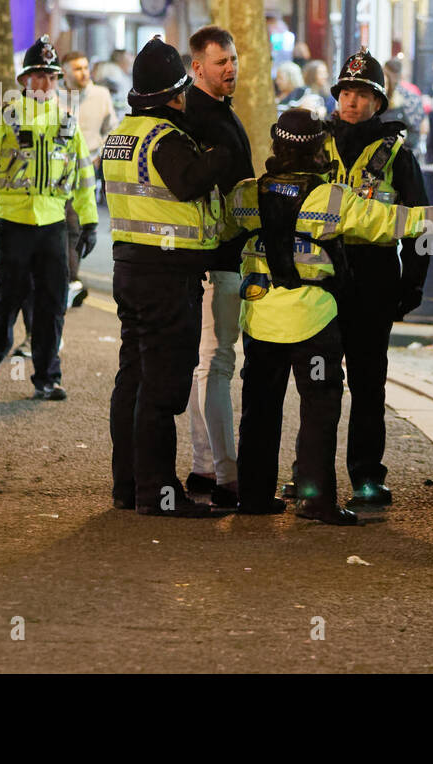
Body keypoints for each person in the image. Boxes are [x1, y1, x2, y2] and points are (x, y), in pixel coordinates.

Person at [226, 108, 433, 524]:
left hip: (260, 319)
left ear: (276, 147)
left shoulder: (247, 194)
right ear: (317, 151)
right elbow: (390, 221)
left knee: (260, 408)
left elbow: (219, 227)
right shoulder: (329, 198)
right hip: (311, 321)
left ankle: (254, 496)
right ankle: (316, 500)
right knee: (319, 407)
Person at [285, 47, 433, 507]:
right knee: (317, 382)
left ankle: (368, 477)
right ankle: (309, 476)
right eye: (345, 92)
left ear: (377, 101)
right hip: (321, 274)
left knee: (368, 383)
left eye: (361, 93)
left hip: (373, 275)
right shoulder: (315, 144)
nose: (350, 101)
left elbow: (420, 221)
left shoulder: (396, 154)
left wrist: (413, 283)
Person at [105, 36, 240, 517]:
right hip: (167, 276)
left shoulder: (122, 133)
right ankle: (158, 494)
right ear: (173, 95)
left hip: (131, 269)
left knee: (134, 381)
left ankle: (129, 486)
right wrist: (221, 156)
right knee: (161, 390)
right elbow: (186, 184)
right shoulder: (164, 139)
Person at [0, 36, 97, 400]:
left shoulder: (68, 122)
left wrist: (89, 221)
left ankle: (47, 376)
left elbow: (84, 178)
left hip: (53, 224)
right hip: (11, 223)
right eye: (38, 76)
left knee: (53, 302)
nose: (45, 84)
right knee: (6, 298)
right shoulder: (0, 119)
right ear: (24, 80)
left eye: (52, 77)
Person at [182, 26, 255, 508]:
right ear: (197, 68)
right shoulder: (201, 118)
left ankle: (205, 467)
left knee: (204, 364)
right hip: (217, 257)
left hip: (214, 256)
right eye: (220, 62)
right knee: (217, 362)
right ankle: (226, 474)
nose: (230, 68)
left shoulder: (211, 112)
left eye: (232, 59)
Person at [62, 51, 119, 307]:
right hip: (56, 171)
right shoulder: (53, 96)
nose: (84, 73)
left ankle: (70, 279)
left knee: (75, 227)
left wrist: (100, 154)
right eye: (77, 68)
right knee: (57, 227)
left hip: (86, 171)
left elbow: (111, 130)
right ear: (64, 72)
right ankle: (64, 278)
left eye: (85, 67)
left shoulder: (101, 96)